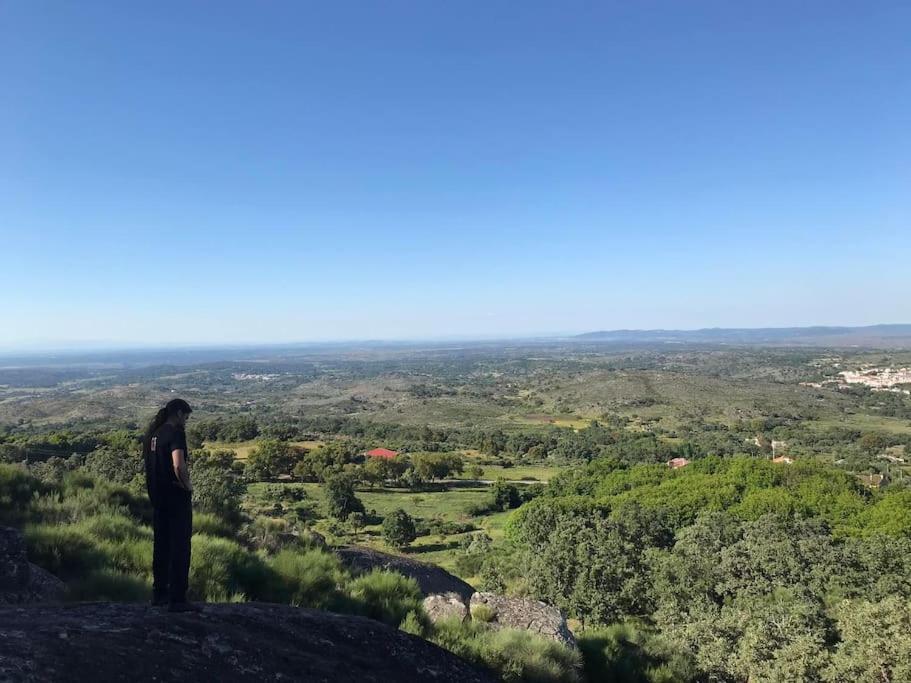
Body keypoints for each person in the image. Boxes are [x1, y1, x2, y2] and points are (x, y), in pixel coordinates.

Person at [143, 398, 200, 612]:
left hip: (158, 498)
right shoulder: (176, 434)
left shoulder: (153, 435)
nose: (186, 422)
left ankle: (159, 594)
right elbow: (178, 464)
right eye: (186, 417)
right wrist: (187, 486)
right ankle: (177, 599)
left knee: (161, 545)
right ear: (177, 413)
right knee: (180, 547)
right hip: (176, 497)